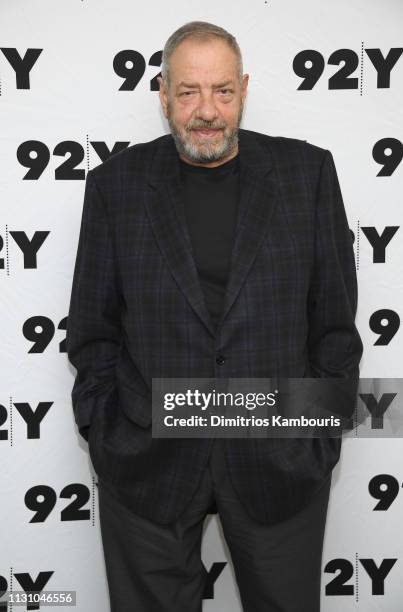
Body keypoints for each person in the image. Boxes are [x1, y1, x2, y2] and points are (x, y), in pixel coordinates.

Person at [66, 20, 363, 612]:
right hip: (147, 463)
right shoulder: (114, 187)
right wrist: (107, 431)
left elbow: (334, 327)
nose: (207, 110)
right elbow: (92, 331)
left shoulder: (308, 175)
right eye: (189, 92)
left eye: (222, 91)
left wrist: (316, 439)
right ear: (163, 94)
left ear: (244, 89)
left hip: (278, 459)